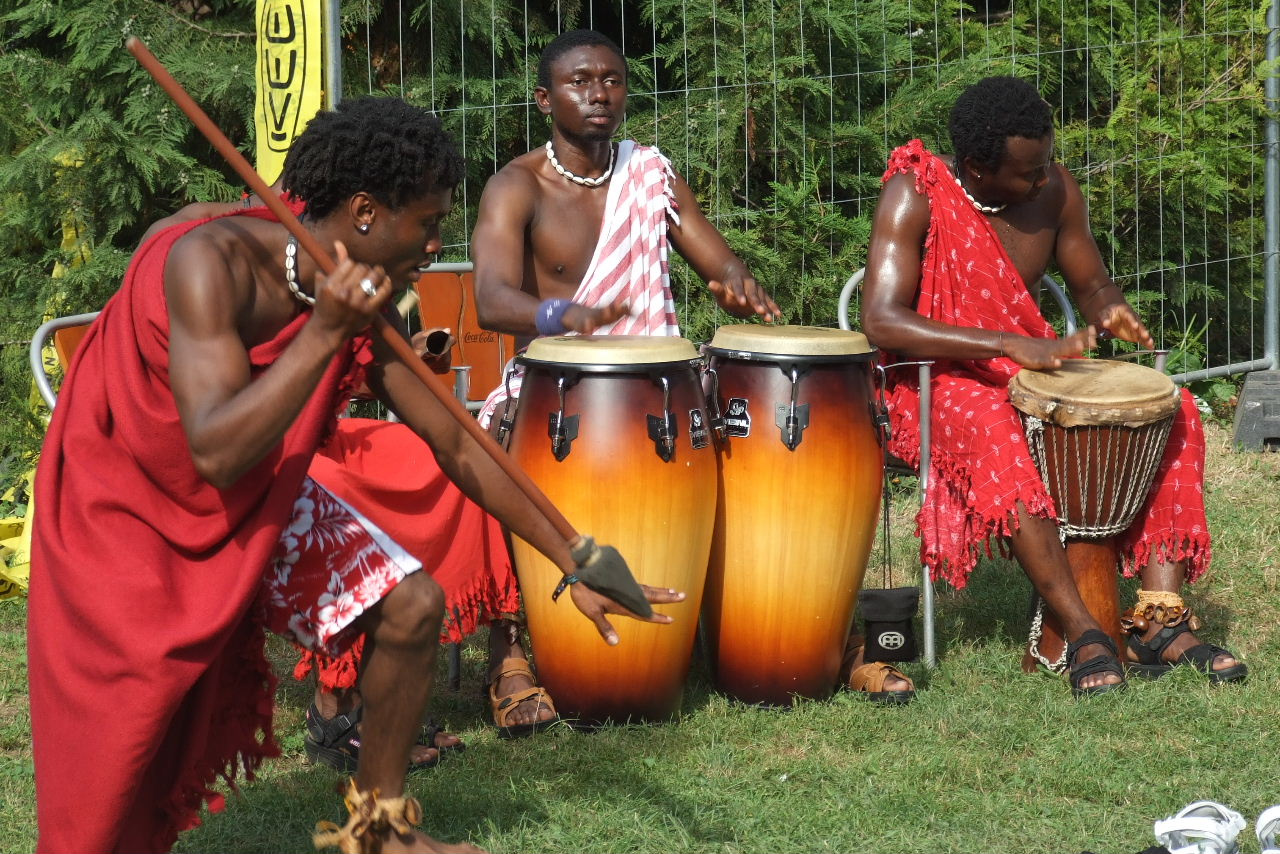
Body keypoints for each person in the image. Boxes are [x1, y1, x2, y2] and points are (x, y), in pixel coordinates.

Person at [28, 96, 681, 854]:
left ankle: (380, 833)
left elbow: (460, 445)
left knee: (410, 606)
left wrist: (576, 556)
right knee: (121, 758)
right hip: (129, 506)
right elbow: (213, 451)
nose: (439, 244)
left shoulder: (366, 303)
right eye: (429, 222)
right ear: (366, 211)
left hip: (254, 493)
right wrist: (325, 333)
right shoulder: (211, 262)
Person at [469, 29, 909, 702]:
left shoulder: (649, 173)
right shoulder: (515, 187)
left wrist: (739, 283)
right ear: (542, 98)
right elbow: (492, 299)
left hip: (659, 384)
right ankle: (508, 656)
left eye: (611, 80)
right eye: (579, 81)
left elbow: (715, 257)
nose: (597, 93)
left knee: (752, 451)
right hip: (551, 387)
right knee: (491, 451)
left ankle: (818, 635)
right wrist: (566, 317)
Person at [860, 75, 1247, 696]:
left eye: (1044, 164)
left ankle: (1159, 618)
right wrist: (1004, 342)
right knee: (994, 425)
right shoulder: (916, 195)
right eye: (1028, 171)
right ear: (978, 168)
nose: (1043, 179)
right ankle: (1082, 629)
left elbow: (1091, 284)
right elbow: (881, 319)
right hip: (931, 380)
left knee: (1178, 415)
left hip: (1029, 368)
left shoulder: (1057, 190)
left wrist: (1111, 311)